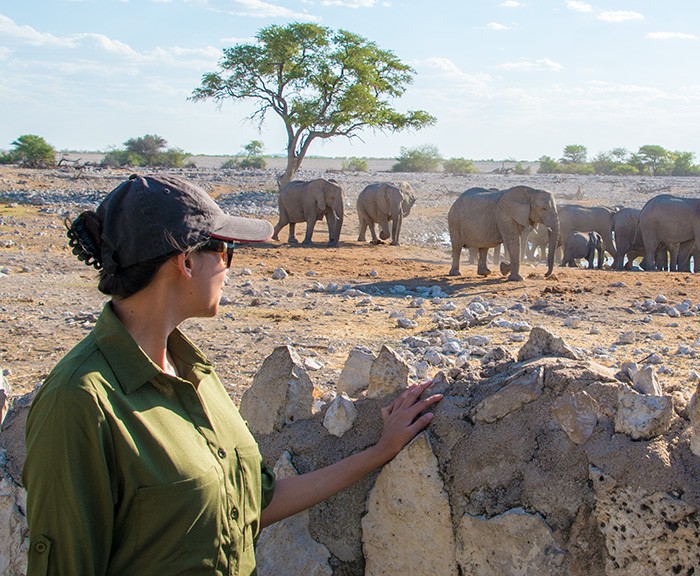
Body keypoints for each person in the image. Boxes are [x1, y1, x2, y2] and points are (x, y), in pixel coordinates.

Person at [24, 174, 440, 574]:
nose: (228, 266)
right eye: (225, 250)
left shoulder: (197, 375)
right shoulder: (78, 402)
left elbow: (253, 505)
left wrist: (378, 452)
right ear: (185, 261)